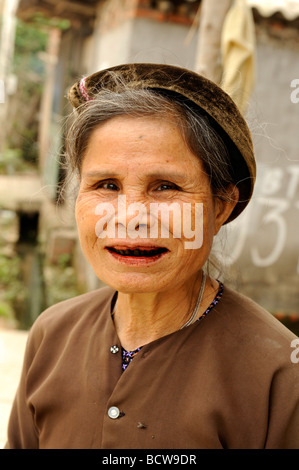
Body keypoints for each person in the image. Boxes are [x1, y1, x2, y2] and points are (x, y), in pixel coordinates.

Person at [5, 63, 299, 449]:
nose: (130, 218)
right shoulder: (53, 335)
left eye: (165, 187)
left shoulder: (280, 375)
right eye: (106, 185)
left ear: (222, 205)